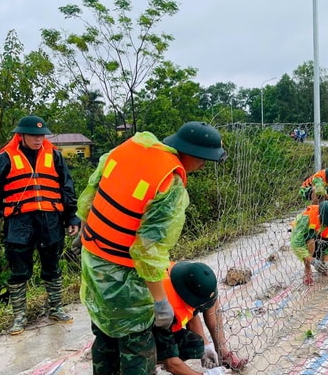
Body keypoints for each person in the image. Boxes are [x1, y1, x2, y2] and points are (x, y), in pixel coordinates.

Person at [78, 122, 227, 374]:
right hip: (123, 274)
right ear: (189, 153)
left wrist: (87, 225)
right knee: (138, 347)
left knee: (105, 333)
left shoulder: (132, 146)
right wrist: (160, 301)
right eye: (203, 160)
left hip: (93, 261)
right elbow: (148, 250)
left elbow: (92, 189)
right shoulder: (169, 183)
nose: (203, 165)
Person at [0, 115, 79, 336]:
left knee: (52, 267)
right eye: (33, 136)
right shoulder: (4, 159)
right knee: (19, 271)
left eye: (41, 135)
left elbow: (66, 187)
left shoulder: (54, 156)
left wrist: (72, 217)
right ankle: (19, 317)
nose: (38, 139)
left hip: (50, 221)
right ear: (21, 135)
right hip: (18, 222)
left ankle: (56, 308)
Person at [155, 261, 248, 374]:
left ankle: (222, 352)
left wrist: (206, 347)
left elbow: (191, 315)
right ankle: (152, 362)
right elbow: (171, 363)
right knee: (174, 353)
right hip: (144, 331)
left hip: (168, 308)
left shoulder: (184, 275)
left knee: (198, 343)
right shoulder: (162, 310)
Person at [290, 200, 328, 286]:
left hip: (324, 242)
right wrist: (312, 261)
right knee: (311, 240)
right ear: (320, 217)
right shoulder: (306, 218)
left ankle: (323, 266)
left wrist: (325, 263)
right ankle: (307, 268)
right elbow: (297, 244)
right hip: (309, 244)